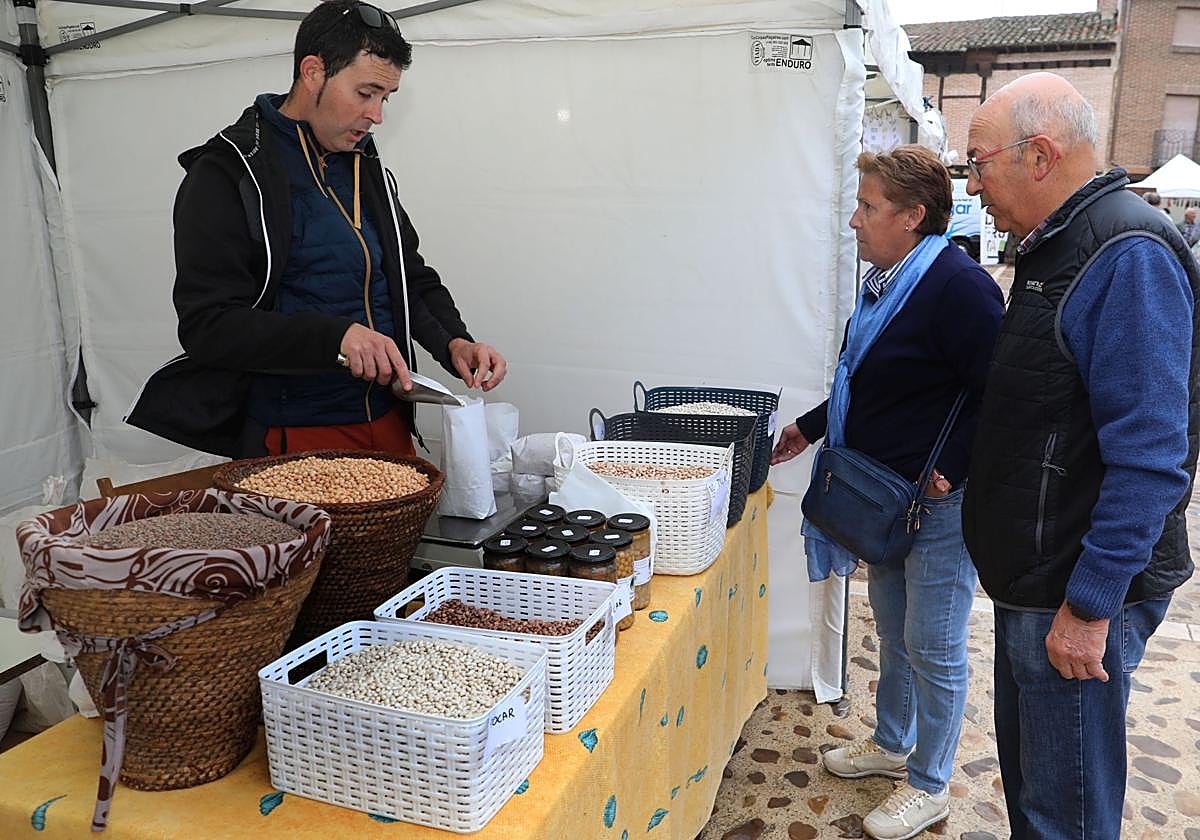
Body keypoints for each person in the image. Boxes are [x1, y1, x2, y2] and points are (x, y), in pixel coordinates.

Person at [962, 72, 1198, 839]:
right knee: (1038, 794)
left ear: (1039, 156)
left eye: (978, 163)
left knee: (1065, 812)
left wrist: (1091, 605)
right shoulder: (1058, 244)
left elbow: (1151, 457)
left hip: (1072, 590)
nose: (972, 185)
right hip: (1038, 577)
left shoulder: (1125, 254)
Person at [127, 0, 505, 458]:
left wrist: (454, 342)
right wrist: (336, 338)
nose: (377, 115)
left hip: (388, 417)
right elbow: (209, 326)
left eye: (385, 98)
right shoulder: (228, 171)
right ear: (313, 72)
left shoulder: (365, 168)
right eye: (365, 93)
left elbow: (409, 276)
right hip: (294, 431)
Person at [772, 145, 1004, 840]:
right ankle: (892, 744)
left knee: (932, 645)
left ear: (912, 216)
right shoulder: (888, 281)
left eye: (867, 206)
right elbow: (870, 377)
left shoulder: (959, 287)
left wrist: (951, 468)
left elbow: (999, 392)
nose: (854, 220)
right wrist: (812, 427)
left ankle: (930, 783)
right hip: (886, 499)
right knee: (897, 634)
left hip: (935, 504)